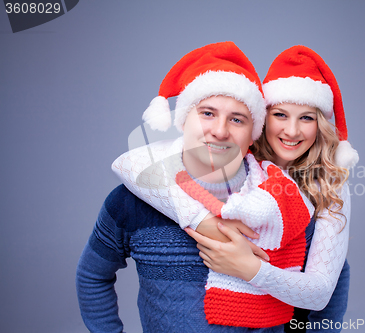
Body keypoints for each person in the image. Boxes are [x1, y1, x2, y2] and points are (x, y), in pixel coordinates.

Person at [115, 45, 358, 332]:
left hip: (297, 321)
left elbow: (320, 292)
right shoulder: (237, 157)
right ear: (262, 118)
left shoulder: (328, 186)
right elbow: (132, 164)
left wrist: (250, 268)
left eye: (306, 118)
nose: (292, 131)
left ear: (320, 126)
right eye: (280, 114)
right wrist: (205, 222)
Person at [76, 42, 288, 332]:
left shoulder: (282, 199)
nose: (220, 130)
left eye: (237, 119)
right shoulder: (130, 202)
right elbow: (92, 276)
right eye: (207, 113)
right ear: (183, 120)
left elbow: (323, 284)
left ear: (252, 135)